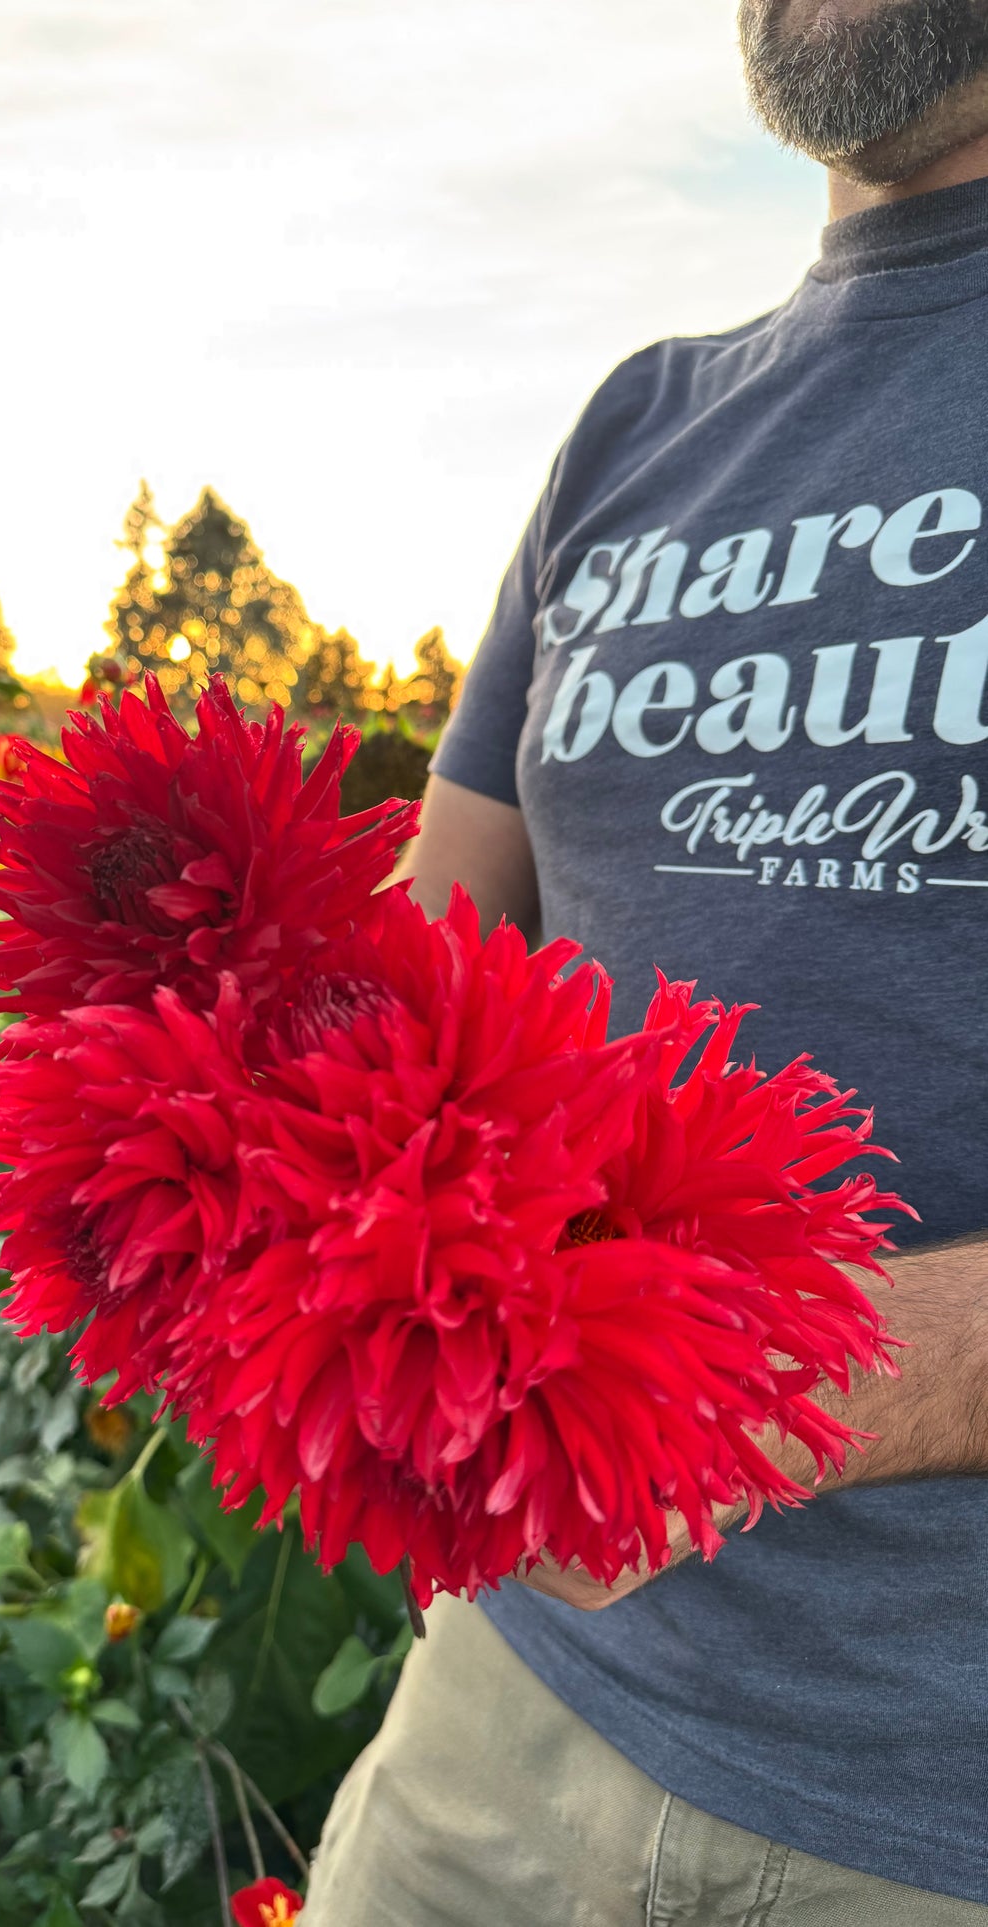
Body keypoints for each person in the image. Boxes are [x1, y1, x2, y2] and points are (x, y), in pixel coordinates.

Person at [299, 2, 988, 1920]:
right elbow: (426, 947)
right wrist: (194, 1071)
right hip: (512, 1696)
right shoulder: (637, 422)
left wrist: (806, 1383)